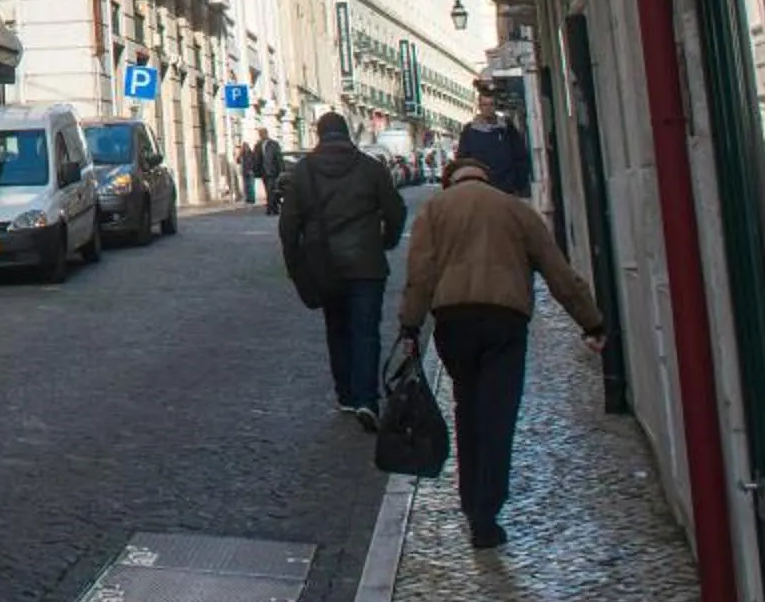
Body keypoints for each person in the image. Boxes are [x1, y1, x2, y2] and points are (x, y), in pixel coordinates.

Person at [395, 155, 606, 550]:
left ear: (450, 180)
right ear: (486, 177)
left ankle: (469, 499)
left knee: (467, 410)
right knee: (498, 417)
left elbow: (420, 275)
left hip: (454, 322)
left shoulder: (434, 210)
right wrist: (591, 322)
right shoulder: (515, 209)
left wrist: (410, 325)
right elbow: (558, 272)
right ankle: (486, 516)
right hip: (504, 322)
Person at [279, 111, 407, 424]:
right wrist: (386, 241)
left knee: (337, 329)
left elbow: (288, 224)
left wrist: (296, 264)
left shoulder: (304, 171)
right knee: (366, 331)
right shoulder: (370, 167)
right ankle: (367, 399)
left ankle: (346, 395)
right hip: (366, 263)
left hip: (325, 264)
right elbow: (396, 210)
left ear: (319, 134)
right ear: (347, 133)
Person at [455, 80, 533, 198]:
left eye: (491, 104)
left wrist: (518, 185)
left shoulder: (506, 128)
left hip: (506, 191)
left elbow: (520, 157)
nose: (488, 108)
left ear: (495, 106)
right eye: (484, 105)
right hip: (480, 191)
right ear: (479, 107)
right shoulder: (469, 131)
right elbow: (462, 162)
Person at [258, 131, 288, 214]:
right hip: (263, 172)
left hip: (273, 171)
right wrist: (257, 170)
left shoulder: (274, 144)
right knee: (268, 190)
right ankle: (274, 208)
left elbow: (279, 157)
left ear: (266, 134)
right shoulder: (259, 145)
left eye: (262, 134)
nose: (261, 136)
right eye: (260, 134)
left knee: (270, 189)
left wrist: (281, 170)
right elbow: (257, 158)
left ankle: (270, 208)